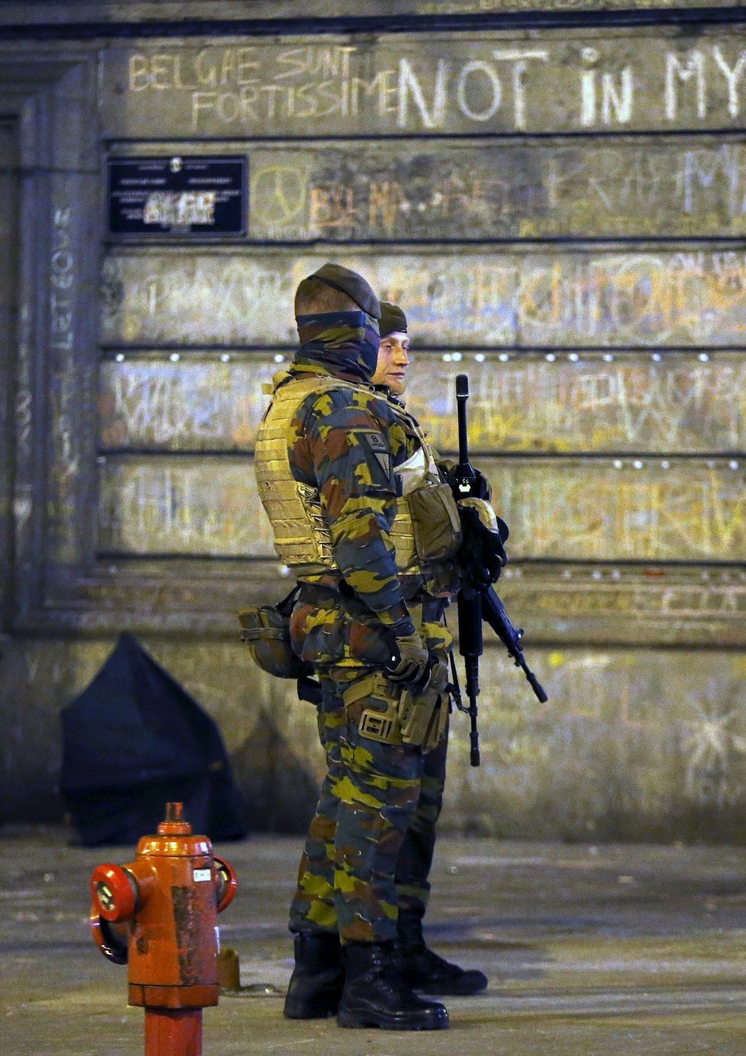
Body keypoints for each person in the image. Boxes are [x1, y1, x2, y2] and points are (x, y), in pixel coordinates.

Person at [254, 264, 460, 1031]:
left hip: (335, 630)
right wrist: (405, 632)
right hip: (370, 637)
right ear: (356, 332)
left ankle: (315, 971)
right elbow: (362, 545)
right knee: (378, 808)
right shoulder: (340, 410)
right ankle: (368, 984)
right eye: (379, 331)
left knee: (345, 800)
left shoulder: (292, 401)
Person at [371, 303, 489, 999]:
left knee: (420, 807)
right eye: (388, 343)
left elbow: (427, 521)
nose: (402, 356)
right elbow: (379, 541)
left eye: (407, 344)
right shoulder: (358, 427)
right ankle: (370, 956)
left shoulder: (402, 426)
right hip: (393, 644)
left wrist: (471, 510)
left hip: (428, 636)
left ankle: (405, 943)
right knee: (383, 809)